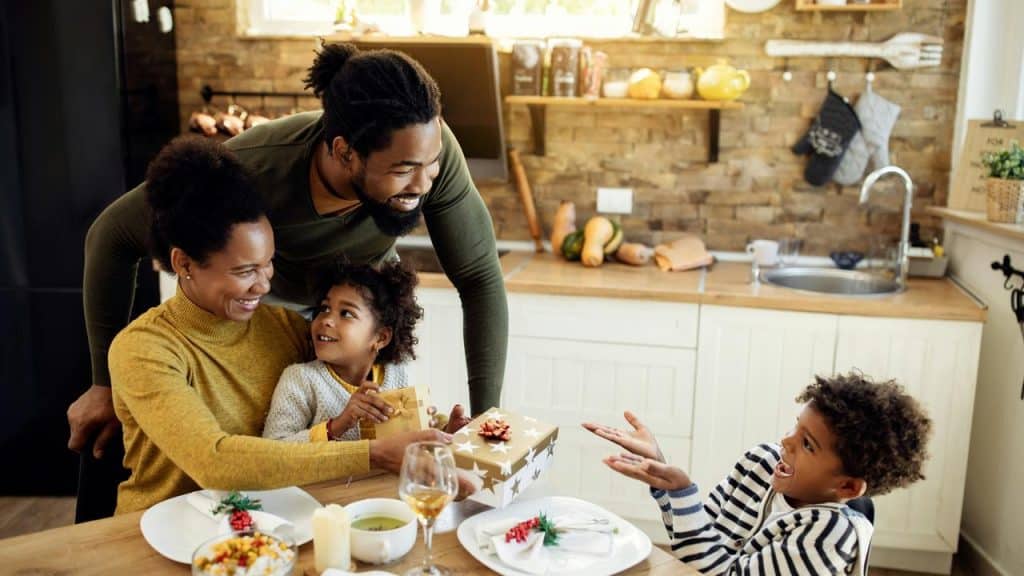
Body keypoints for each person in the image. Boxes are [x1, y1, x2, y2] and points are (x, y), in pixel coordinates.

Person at [68, 42, 507, 518]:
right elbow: (111, 234)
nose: (424, 184)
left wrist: (475, 423)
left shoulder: (422, 148)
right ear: (344, 152)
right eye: (403, 170)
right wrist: (105, 384)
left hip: (298, 328)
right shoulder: (252, 172)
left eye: (433, 165)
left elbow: (480, 276)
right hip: (242, 322)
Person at [109, 137, 455, 514]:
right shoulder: (144, 349)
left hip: (266, 525)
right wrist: (372, 454)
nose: (264, 285)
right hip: (158, 529)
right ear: (184, 264)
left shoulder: (285, 327)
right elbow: (215, 461)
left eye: (269, 264)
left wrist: (426, 430)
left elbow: (347, 394)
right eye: (245, 271)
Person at [584, 373, 932, 575]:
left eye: (807, 445)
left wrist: (682, 491)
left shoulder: (827, 536)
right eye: (796, 428)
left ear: (847, 486)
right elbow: (701, 536)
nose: (786, 442)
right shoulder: (761, 462)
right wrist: (665, 479)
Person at [262, 260, 470, 442]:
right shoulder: (300, 379)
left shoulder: (399, 374)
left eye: (346, 313)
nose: (326, 320)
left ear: (380, 337)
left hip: (380, 486)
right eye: (324, 308)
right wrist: (337, 425)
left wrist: (446, 431)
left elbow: (413, 445)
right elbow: (273, 449)